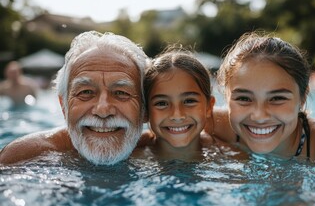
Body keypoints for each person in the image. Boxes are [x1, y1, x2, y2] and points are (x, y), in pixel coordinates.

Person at [206, 31, 315, 183]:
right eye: (244, 98)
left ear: (303, 97)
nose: (259, 116)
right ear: (226, 98)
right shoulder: (214, 123)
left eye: (277, 98)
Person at [0, 31, 150, 165]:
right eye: (85, 92)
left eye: (121, 93)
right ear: (63, 106)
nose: (102, 110)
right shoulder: (22, 160)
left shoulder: (164, 151)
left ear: (145, 110)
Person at [133, 47, 215, 161]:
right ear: (146, 112)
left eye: (189, 101)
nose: (177, 115)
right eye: (162, 103)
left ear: (209, 107)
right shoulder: (133, 160)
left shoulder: (231, 158)